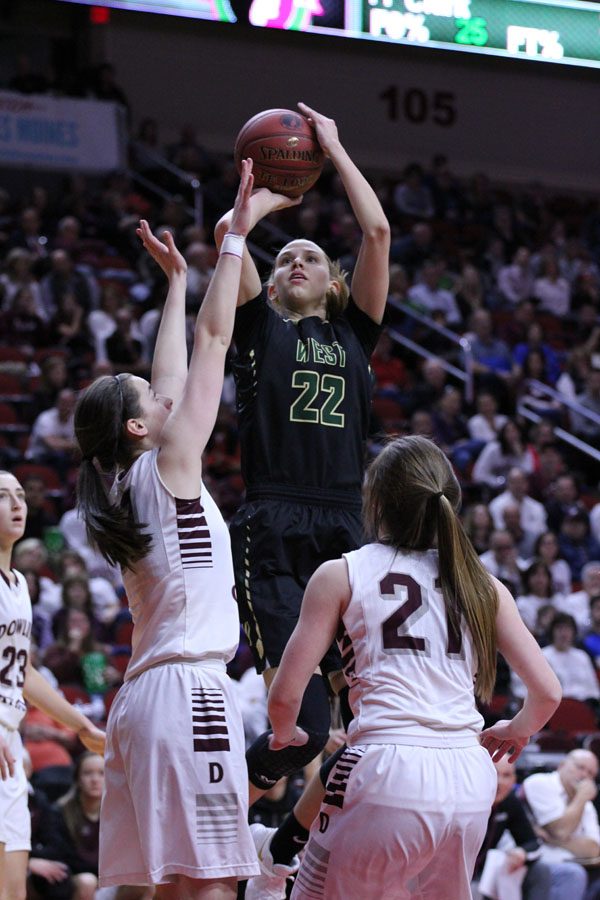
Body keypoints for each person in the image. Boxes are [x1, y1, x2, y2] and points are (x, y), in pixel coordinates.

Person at [73, 160, 267, 897]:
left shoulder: (128, 479)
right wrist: (235, 241)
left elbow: (176, 374)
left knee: (169, 889)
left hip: (144, 703)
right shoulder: (167, 466)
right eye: (150, 399)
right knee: (213, 884)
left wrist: (174, 283)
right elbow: (213, 343)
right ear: (136, 425)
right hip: (188, 691)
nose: (165, 397)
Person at [266, 435, 561, 900]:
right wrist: (517, 730)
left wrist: (283, 737)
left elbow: (286, 697)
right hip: (470, 773)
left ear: (377, 501)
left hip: (387, 763)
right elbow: (548, 693)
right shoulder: (485, 584)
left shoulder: (342, 573)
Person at [214, 103, 390, 812]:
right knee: (308, 727)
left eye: (310, 257)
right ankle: (226, 803)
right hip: (274, 524)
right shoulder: (259, 329)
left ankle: (285, 845)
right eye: (285, 257)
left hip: (347, 528)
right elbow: (232, 238)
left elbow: (375, 231)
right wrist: (263, 196)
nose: (293, 261)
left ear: (334, 284)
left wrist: (336, 153)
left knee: (367, 724)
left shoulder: (355, 336)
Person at [0, 469, 105, 898]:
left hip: (10, 741)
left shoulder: (20, 585)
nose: (18, 503)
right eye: (3, 496)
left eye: (21, 495)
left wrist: (79, 723)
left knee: (12, 887)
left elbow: (22, 671)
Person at [522, 749, 600, 900]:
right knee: (573, 874)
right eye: (580, 767)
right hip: (534, 860)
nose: (584, 776)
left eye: (590, 773)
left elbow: (594, 850)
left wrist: (552, 839)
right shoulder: (540, 783)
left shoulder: (586, 804)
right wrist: (581, 798)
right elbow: (561, 830)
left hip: (575, 862)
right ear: (562, 765)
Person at [475, 756, 551, 900]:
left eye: (506, 775)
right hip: (457, 874)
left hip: (488, 873)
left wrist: (521, 852)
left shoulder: (509, 802)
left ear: (514, 780)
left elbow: (532, 843)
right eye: (494, 773)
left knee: (541, 870)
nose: (499, 782)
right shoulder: (462, 801)